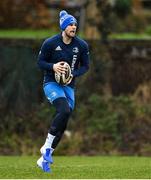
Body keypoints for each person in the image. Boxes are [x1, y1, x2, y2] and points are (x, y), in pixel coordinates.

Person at [37, 10, 90, 172]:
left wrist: (72, 74)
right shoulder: (50, 43)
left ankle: (43, 160)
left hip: (68, 86)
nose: (74, 27)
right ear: (63, 27)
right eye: (70, 25)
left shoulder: (81, 45)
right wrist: (53, 67)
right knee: (64, 109)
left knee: (64, 120)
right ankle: (46, 148)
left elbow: (85, 66)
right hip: (51, 83)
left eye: (75, 24)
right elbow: (40, 62)